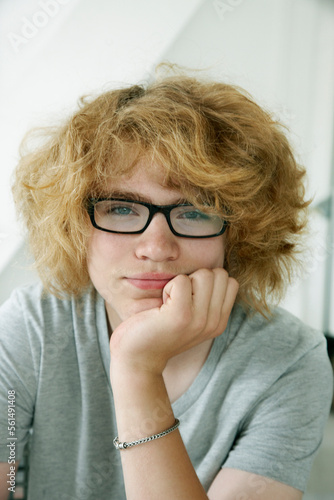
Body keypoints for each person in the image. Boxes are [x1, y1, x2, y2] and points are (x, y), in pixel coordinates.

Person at [0, 66, 332, 500]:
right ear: (74, 225)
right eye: (121, 209)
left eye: (194, 212)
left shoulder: (290, 363)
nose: (156, 247)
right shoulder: (33, 327)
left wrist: (138, 370)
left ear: (241, 233)